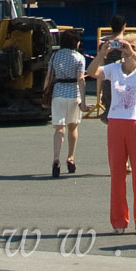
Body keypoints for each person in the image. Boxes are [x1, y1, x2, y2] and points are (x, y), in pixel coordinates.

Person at [93, 31, 136, 233]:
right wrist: (102, 53)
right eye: (125, 47)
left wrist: (135, 54)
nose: (127, 52)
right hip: (116, 123)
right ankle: (119, 220)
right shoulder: (113, 69)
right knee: (117, 173)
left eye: (133, 48)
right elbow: (92, 72)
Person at [43, 27, 87, 178]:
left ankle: (56, 159)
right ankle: (70, 157)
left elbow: (49, 76)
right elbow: (81, 79)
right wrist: (83, 101)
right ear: (75, 42)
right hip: (73, 93)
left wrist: (44, 93)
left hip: (58, 93)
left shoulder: (55, 56)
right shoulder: (79, 58)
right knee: (73, 127)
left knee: (58, 128)